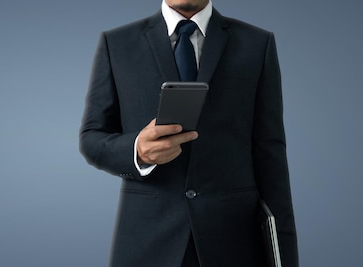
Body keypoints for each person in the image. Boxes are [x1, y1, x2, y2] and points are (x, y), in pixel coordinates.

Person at [79, 0, 298, 266]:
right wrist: (136, 151)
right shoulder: (117, 44)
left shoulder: (256, 43)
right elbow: (92, 137)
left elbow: (271, 154)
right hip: (146, 243)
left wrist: (284, 257)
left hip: (235, 243)